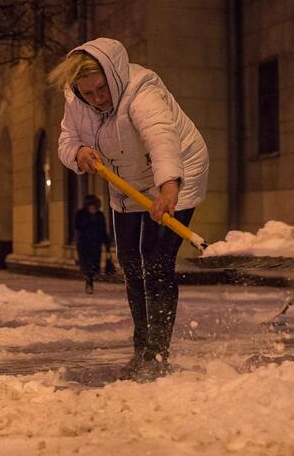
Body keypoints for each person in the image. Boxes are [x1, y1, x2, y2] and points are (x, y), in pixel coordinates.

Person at [51, 38, 209, 381]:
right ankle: (141, 347)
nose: (96, 99)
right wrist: (77, 152)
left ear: (112, 74)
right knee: (130, 261)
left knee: (155, 262)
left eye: (101, 89)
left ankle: (156, 353)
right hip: (124, 179)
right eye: (88, 93)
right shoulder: (76, 100)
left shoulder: (141, 90)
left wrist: (169, 187)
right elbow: (66, 139)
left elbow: (161, 136)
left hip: (176, 170)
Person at [75, 195, 111, 294]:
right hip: (84, 244)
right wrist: (90, 220)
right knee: (86, 265)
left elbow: (103, 229)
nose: (92, 208)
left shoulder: (100, 215)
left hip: (96, 244)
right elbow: (78, 227)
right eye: (90, 206)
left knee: (95, 265)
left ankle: (90, 281)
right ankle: (89, 283)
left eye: (94, 206)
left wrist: (107, 244)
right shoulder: (81, 214)